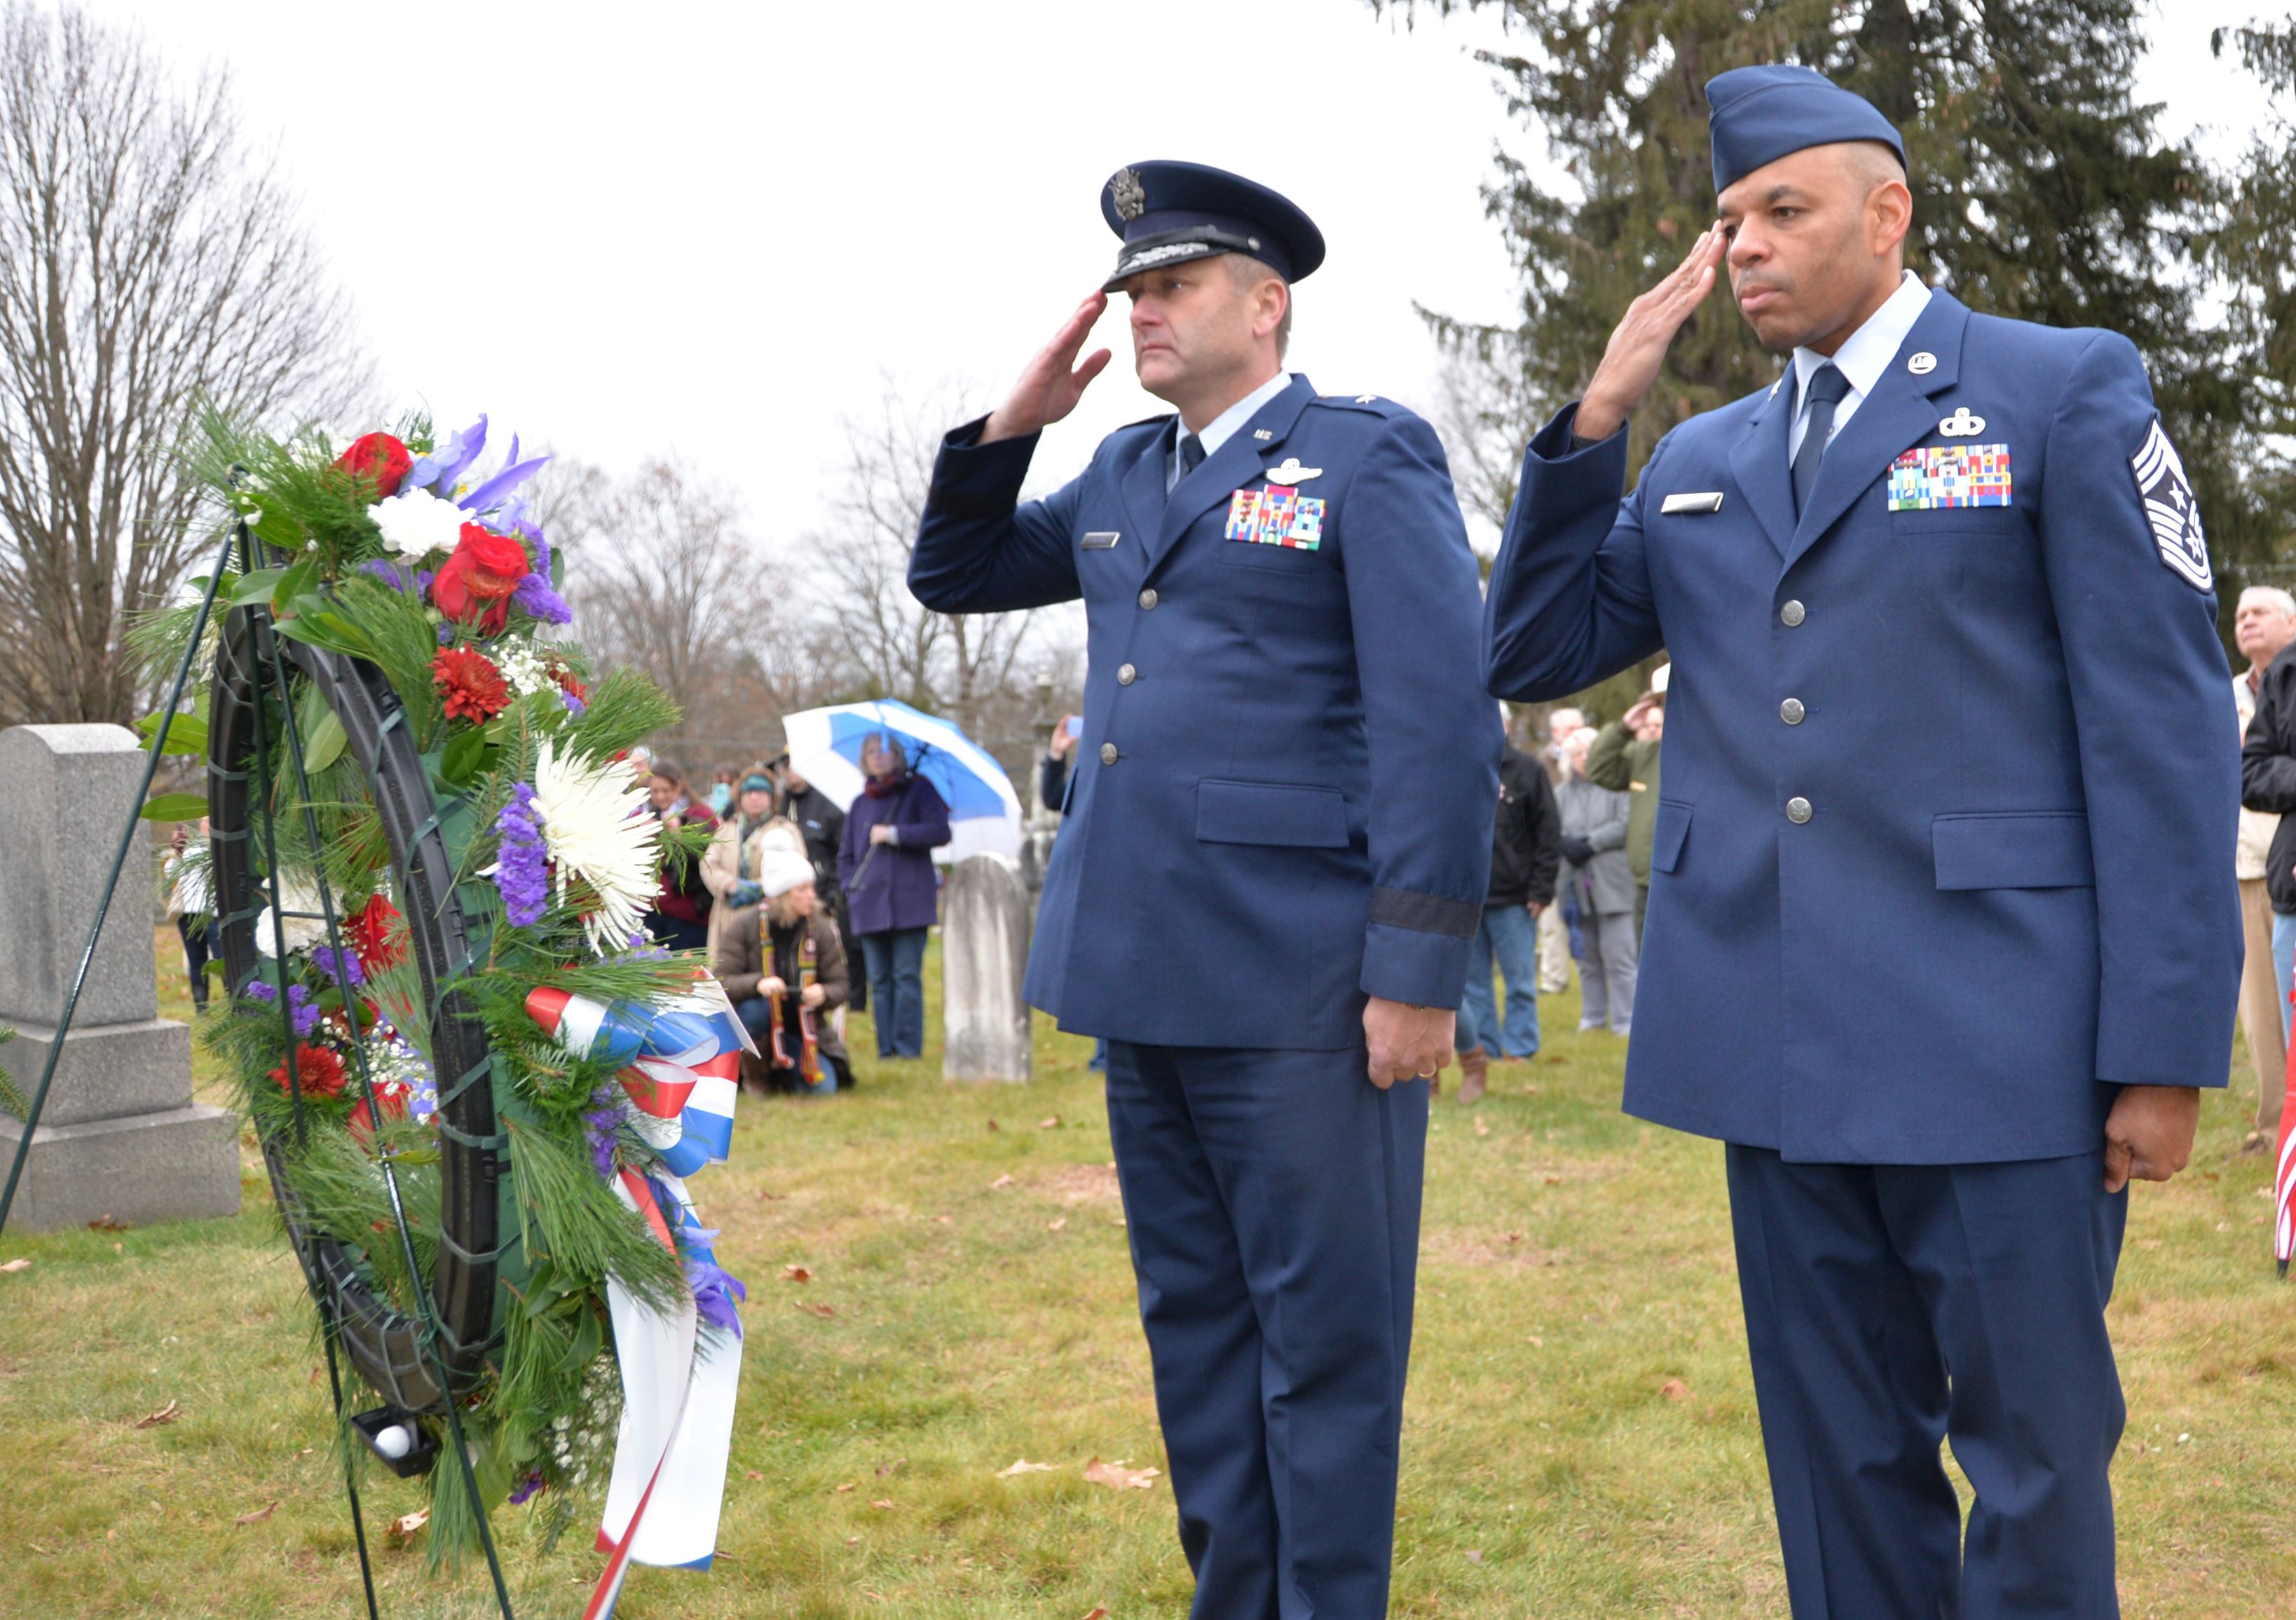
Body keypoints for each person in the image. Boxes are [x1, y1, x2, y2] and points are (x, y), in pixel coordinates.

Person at [1482, 65, 2240, 1617]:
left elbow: (2162, 734)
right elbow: (1537, 643)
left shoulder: (2057, 390)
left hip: (2003, 1045)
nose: (1743, 246)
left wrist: (2162, 1050)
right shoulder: (1700, 461)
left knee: (2033, 1465)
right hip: (1778, 1046)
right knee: (1837, 1472)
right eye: (1729, 220)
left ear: (1887, 215)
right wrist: (1599, 417)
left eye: (1782, 210)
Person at [908, 160, 1498, 1620]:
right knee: (1198, 1339)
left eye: (1170, 286)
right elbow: (955, 570)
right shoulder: (1119, 472)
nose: (1141, 312)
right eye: (1130, 290)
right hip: (1141, 979)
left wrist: (1418, 974)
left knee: (1328, 1350)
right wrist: (1015, 423)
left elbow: (1439, 726)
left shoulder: (1363, 459)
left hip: (1302, 987)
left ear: (1264, 302)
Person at [1451, 706, 1562, 1101]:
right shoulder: (1457, 769)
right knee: (1474, 985)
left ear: (1507, 726)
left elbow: (1549, 833)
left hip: (1516, 897)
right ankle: (1485, 1049)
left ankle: (1520, 1049)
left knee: (1519, 981)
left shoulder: (1527, 770)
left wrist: (1541, 889)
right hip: (1468, 898)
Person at [835, 733, 948, 1061]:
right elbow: (846, 855)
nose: (878, 756)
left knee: (905, 977)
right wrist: (850, 887)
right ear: (864, 759)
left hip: (909, 904)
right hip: (868, 906)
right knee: (880, 981)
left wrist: (896, 834)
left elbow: (940, 831)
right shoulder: (860, 804)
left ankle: (907, 1048)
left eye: (884, 751)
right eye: (871, 751)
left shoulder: (919, 790)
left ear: (897, 755)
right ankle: (886, 1049)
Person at [2232, 586, 2295, 1141]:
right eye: (2240, 615)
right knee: (2263, 1010)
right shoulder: (2224, 695)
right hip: (2254, 866)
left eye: (2259, 612)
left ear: (2289, 621)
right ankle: (2279, 1129)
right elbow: (2244, 775)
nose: (2247, 621)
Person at [714, 847, 852, 1096]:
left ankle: (784, 1073)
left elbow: (840, 985)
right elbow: (721, 981)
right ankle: (756, 1077)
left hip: (804, 1027)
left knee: (824, 1089)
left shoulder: (819, 930)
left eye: (811, 888)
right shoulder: (743, 926)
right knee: (757, 1010)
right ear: (781, 895)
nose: (811, 896)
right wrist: (759, 984)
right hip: (757, 1023)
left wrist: (824, 992)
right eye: (802, 890)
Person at [1554, 726, 1637, 1034]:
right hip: (1575, 887)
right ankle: (1592, 1019)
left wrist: (1590, 843)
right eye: (1577, 753)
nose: (1584, 759)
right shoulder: (1560, 794)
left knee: (1620, 959)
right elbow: (1550, 827)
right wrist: (1565, 842)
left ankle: (1627, 1021)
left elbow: (1626, 823)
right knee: (1587, 960)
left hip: (1614, 885)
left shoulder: (1618, 787)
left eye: (1590, 751)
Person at [1584, 664, 1667, 939]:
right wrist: (1623, 728)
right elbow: (1598, 768)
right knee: (1647, 965)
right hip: (1646, 883)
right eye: (1659, 704)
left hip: (1691, 884)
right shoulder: (1643, 754)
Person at [774, 752, 857, 1013]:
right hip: (782, 898)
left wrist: (832, 893)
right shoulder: (779, 805)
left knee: (819, 954)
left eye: (795, 764)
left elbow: (841, 853)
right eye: (785, 765)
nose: (790, 771)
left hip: (818, 896)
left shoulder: (828, 806)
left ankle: (824, 1003)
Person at [700, 772, 805, 960]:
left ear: (771, 797)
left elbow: (796, 866)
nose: (754, 797)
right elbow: (708, 864)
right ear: (740, 797)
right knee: (729, 968)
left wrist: (761, 887)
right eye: (749, 792)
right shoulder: (726, 829)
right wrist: (730, 885)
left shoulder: (785, 829)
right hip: (729, 912)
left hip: (770, 912)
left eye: (760, 792)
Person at [640, 757, 718, 952]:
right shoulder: (646, 816)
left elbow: (706, 859)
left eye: (666, 790)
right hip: (652, 911)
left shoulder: (700, 814)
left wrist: (678, 836)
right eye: (655, 791)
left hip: (688, 914)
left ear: (679, 786)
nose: (660, 797)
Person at [1536, 705, 1585, 993]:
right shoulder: (1543, 764)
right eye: (1571, 730)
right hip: (1553, 851)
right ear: (1556, 733)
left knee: (1586, 918)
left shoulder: (1589, 759)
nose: (1576, 735)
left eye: (1580, 728)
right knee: (1552, 922)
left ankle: (1587, 974)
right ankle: (1553, 979)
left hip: (1584, 849)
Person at [163, 818, 215, 1012]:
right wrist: (177, 851)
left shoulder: (221, 849)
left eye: (210, 822)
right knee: (197, 962)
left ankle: (233, 1000)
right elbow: (171, 872)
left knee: (221, 957)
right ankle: (201, 1007)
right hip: (188, 915)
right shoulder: (190, 851)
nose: (207, 826)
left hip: (213, 914)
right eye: (205, 823)